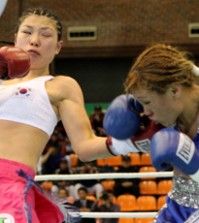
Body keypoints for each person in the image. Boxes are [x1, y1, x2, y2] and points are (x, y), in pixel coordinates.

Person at [0, 7, 115, 223]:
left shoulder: (59, 86)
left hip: (7, 187)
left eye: (45, 34)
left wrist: (129, 142)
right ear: (15, 39)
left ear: (58, 47)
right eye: (27, 32)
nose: (34, 40)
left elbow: (85, 147)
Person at [103, 43, 199, 223]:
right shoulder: (165, 120)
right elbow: (85, 151)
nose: (145, 112)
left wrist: (194, 167)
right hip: (174, 210)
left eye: (147, 102)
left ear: (174, 90)